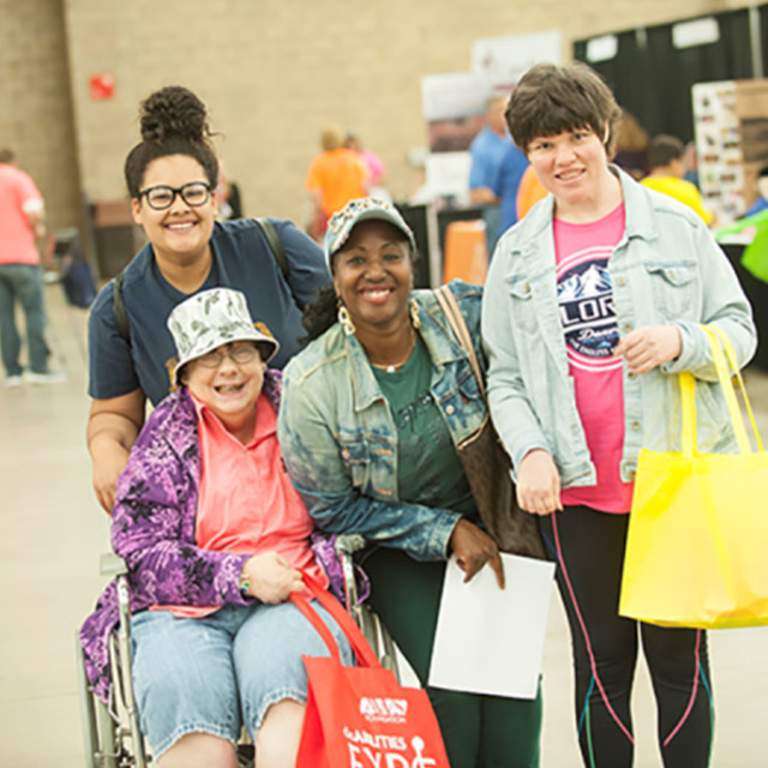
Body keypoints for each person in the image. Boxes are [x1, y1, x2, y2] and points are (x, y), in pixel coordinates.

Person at [482, 62, 756, 768]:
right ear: (527, 154)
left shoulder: (674, 225)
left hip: (670, 483)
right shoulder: (515, 254)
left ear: (604, 132)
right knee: (601, 663)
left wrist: (680, 341)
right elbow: (505, 377)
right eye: (543, 145)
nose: (562, 157)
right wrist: (530, 451)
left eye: (575, 136)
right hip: (572, 490)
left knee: (675, 660)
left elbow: (739, 329)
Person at [278, 197, 543, 768]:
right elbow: (333, 511)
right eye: (356, 260)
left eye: (390, 255)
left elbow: (534, 347)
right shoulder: (313, 384)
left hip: (492, 525)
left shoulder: (462, 319)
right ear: (336, 277)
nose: (376, 271)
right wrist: (443, 531)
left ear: (411, 265)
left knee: (515, 690)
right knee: (453, 685)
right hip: (392, 544)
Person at [80, 287, 352, 768]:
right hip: (180, 610)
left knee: (287, 719)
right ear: (183, 373)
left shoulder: (299, 405)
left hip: (293, 594)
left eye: (240, 351)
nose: (228, 369)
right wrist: (242, 575)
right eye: (209, 357)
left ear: (261, 356)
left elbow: (351, 491)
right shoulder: (165, 434)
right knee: (189, 709)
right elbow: (141, 552)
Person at [87, 86, 329, 513]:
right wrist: (107, 453)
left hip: (315, 482)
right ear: (137, 209)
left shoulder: (275, 248)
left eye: (194, 192)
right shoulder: (119, 307)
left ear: (215, 199)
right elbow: (114, 415)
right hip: (208, 509)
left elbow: (355, 330)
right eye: (161, 197)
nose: (180, 208)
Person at [0, 148, 64, 386]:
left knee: (4, 318)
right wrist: (38, 229)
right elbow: (34, 211)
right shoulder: (18, 178)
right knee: (34, 312)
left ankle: (12, 371)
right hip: (21, 258)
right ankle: (38, 366)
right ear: (12, 160)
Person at [305, 128, 368, 239]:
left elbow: (317, 199)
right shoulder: (353, 158)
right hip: (356, 215)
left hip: (333, 220)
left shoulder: (319, 164)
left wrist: (315, 224)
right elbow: (366, 187)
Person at [469, 95, 513, 251]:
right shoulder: (482, 147)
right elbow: (476, 192)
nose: (506, 115)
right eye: (501, 111)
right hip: (498, 213)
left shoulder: (512, 140)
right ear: (489, 115)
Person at [641, 134, 714, 225]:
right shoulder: (685, 189)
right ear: (674, 163)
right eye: (683, 162)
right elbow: (703, 222)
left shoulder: (640, 187)